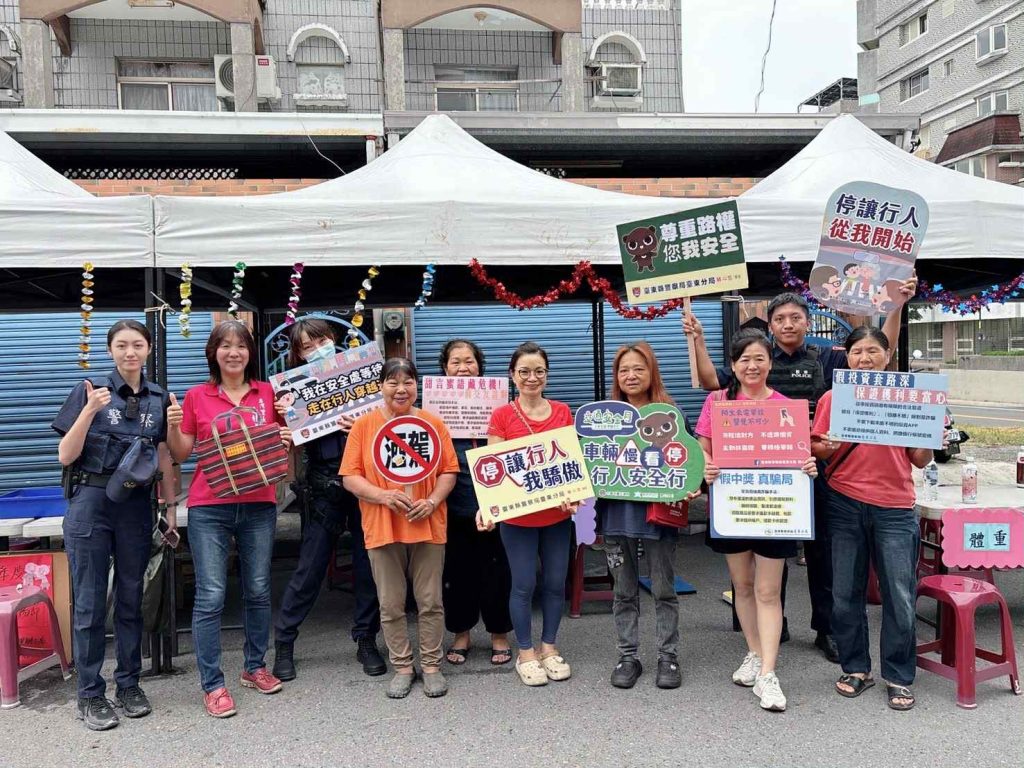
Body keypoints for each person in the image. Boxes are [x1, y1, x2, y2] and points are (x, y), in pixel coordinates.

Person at [683, 282, 915, 662]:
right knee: (771, 547)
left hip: (816, 466)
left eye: (795, 317)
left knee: (822, 553)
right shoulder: (757, 358)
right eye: (779, 319)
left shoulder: (828, 358)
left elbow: (877, 356)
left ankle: (828, 630)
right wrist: (698, 340)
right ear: (770, 327)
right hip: (763, 474)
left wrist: (898, 306)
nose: (788, 324)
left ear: (809, 321)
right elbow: (712, 381)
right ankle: (773, 623)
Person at [52, 319, 176, 731]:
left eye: (137, 345)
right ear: (110, 351)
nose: (130, 353)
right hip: (91, 503)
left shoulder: (159, 399)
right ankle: (90, 693)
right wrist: (88, 411)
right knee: (88, 603)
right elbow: (66, 455)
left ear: (148, 349)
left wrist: (170, 506)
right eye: (121, 345)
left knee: (130, 597)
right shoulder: (89, 391)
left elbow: (165, 455)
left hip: (135, 506)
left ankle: (128, 684)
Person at [166, 319, 292, 718]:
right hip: (209, 505)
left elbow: (283, 446)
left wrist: (289, 429)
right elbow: (183, 453)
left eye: (241, 345)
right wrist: (172, 429)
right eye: (226, 345)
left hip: (259, 503)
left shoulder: (268, 393)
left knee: (257, 589)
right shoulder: (195, 397)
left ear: (250, 353)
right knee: (211, 595)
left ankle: (254, 667)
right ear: (214, 352)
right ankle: (212, 684)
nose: (234, 352)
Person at [695, 329, 819, 712]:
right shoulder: (718, 402)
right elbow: (703, 449)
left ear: (769, 363)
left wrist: (809, 466)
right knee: (742, 586)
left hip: (775, 511)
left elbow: (801, 454)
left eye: (759, 358)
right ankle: (753, 651)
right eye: (744, 359)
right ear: (732, 365)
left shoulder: (786, 406)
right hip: (734, 509)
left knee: (768, 591)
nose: (752, 365)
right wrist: (708, 467)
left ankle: (768, 673)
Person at [811, 327, 931, 711]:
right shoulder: (833, 397)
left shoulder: (909, 396)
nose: (864, 358)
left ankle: (898, 674)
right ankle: (856, 668)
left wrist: (930, 436)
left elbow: (921, 459)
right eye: (857, 351)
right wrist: (824, 448)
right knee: (845, 592)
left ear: (887, 355)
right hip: (844, 502)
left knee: (899, 595)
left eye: (872, 351)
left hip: (895, 506)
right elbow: (818, 446)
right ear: (846, 358)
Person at [271, 319, 385, 682]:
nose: (315, 348)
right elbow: (291, 441)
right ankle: (285, 641)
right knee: (310, 566)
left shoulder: (363, 375)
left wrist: (367, 424)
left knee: (369, 564)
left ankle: (366, 638)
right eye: (306, 346)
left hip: (367, 479)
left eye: (319, 339)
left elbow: (392, 422)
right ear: (299, 353)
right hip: (324, 482)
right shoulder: (294, 388)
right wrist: (285, 426)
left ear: (333, 339)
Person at [340, 358, 459, 699]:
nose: (401, 389)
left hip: (428, 523)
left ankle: (433, 665)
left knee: (430, 600)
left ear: (417, 386)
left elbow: (449, 471)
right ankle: (403, 666)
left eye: (408, 381)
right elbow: (350, 477)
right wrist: (382, 496)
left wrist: (433, 501)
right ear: (380, 387)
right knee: (390, 603)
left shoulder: (433, 423)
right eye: (393, 382)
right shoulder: (364, 427)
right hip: (382, 524)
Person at [477, 342, 576, 688]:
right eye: (524, 371)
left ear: (547, 375)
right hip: (518, 520)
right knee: (523, 584)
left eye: (539, 371)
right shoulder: (503, 415)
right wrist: (488, 508)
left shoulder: (563, 411)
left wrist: (573, 497)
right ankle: (525, 652)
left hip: (557, 518)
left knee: (553, 583)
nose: (532, 377)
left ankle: (549, 647)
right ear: (512, 375)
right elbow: (491, 469)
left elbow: (572, 467)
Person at [598, 342, 693, 691]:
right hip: (616, 516)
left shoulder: (670, 413)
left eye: (638, 368)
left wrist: (691, 485)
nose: (631, 376)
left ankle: (668, 656)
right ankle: (628, 655)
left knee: (664, 589)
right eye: (624, 370)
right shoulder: (605, 418)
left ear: (652, 371)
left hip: (659, 518)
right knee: (623, 591)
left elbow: (689, 461)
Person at [437, 339, 514, 667]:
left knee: (497, 571)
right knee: (457, 572)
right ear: (444, 369)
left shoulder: (501, 405)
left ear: (480, 367)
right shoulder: (435, 406)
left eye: (469, 361)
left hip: (495, 501)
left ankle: (499, 633)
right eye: (455, 362)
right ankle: (461, 633)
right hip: (453, 503)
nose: (463, 367)